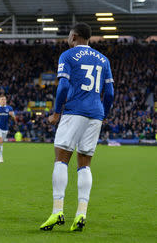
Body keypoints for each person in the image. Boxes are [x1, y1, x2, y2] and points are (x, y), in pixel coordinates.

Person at [40, 23, 114, 232]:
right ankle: (81, 214)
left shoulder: (68, 55)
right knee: (84, 164)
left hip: (74, 111)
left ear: (73, 36)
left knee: (61, 159)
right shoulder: (104, 59)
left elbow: (63, 86)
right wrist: (104, 114)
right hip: (96, 114)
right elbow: (109, 94)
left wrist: (56, 112)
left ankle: (57, 211)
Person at [0, 95, 15, 163]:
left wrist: (12, 115)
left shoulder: (9, 108)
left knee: (1, 142)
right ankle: (0, 158)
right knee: (0, 140)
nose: (3, 101)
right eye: (2, 99)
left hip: (5, 128)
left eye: (4, 99)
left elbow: (14, 117)